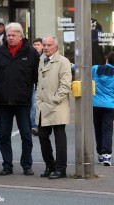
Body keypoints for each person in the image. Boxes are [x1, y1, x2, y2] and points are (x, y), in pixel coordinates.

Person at [0, 22, 39, 176]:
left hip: (23, 102)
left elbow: (37, 78)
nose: (10, 38)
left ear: (20, 36)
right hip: (3, 102)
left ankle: (26, 165)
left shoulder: (31, 53)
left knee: (26, 135)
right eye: (8, 35)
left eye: (13, 35)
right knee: (4, 135)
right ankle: (7, 165)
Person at [36, 35, 72, 179]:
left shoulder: (63, 61)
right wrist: (38, 99)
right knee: (43, 137)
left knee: (59, 139)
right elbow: (39, 82)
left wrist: (55, 99)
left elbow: (65, 84)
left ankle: (60, 169)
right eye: (44, 45)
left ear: (56, 47)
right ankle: (49, 166)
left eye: (49, 45)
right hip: (42, 105)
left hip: (57, 106)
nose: (46, 47)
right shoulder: (40, 60)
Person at [92, 52, 114, 166]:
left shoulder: (96, 69)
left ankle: (100, 155)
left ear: (107, 60)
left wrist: (72, 65)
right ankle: (107, 156)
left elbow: (83, 70)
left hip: (95, 105)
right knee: (107, 130)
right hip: (109, 106)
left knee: (98, 129)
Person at [31, 38, 43, 136]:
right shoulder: (30, 56)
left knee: (35, 105)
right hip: (30, 84)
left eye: (38, 44)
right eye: (34, 44)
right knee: (31, 106)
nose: (36, 46)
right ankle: (32, 125)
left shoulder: (44, 58)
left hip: (39, 84)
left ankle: (34, 126)